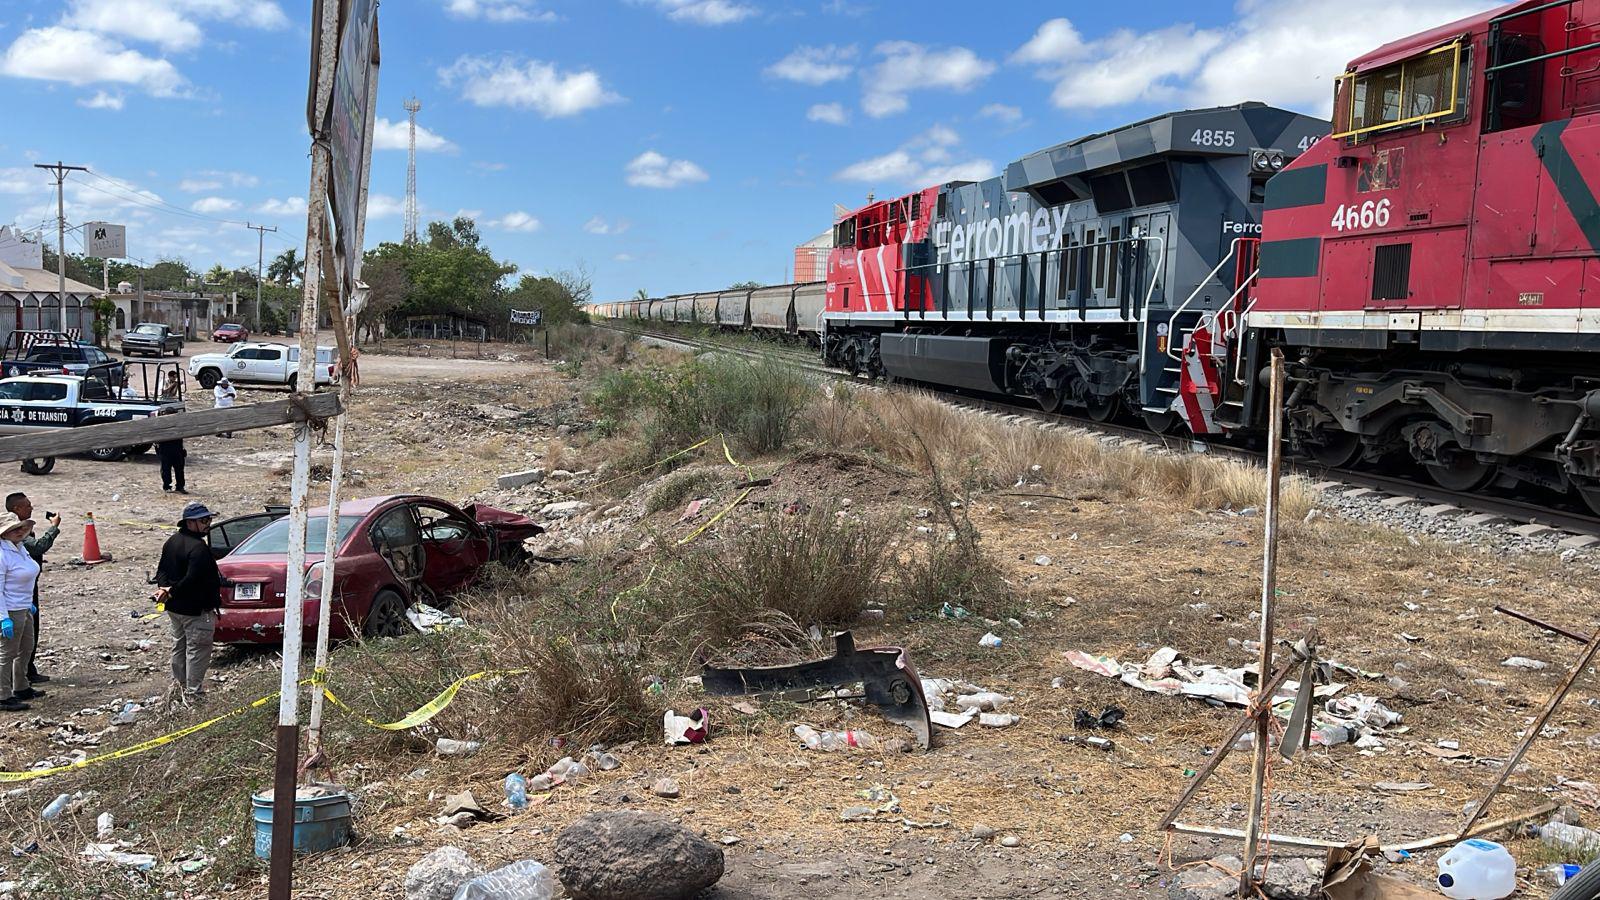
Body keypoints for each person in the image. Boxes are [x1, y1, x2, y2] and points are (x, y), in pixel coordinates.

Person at [154, 502, 221, 701]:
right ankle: (194, 694)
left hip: (175, 608)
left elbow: (162, 571)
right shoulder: (199, 548)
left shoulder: (172, 541)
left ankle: (179, 689)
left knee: (179, 647)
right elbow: (192, 579)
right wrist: (172, 590)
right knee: (197, 650)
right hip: (196, 610)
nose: (208, 524)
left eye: (209, 519)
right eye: (204, 520)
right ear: (190, 523)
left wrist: (165, 590)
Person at [4, 493, 58, 684]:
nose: (31, 508)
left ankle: (22, 681)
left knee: (26, 643)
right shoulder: (9, 545)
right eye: (27, 506)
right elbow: (38, 547)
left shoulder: (19, 542)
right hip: (13, 601)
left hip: (25, 596)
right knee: (10, 649)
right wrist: (54, 528)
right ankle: (6, 690)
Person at [0, 510, 41, 712]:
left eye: (19, 528)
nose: (17, 532)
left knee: (26, 648)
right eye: (12, 529)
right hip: (10, 609)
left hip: (23, 606)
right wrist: (3, 618)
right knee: (7, 653)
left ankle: (21, 686)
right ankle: (2, 695)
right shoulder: (2, 554)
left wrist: (28, 603)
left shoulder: (20, 548)